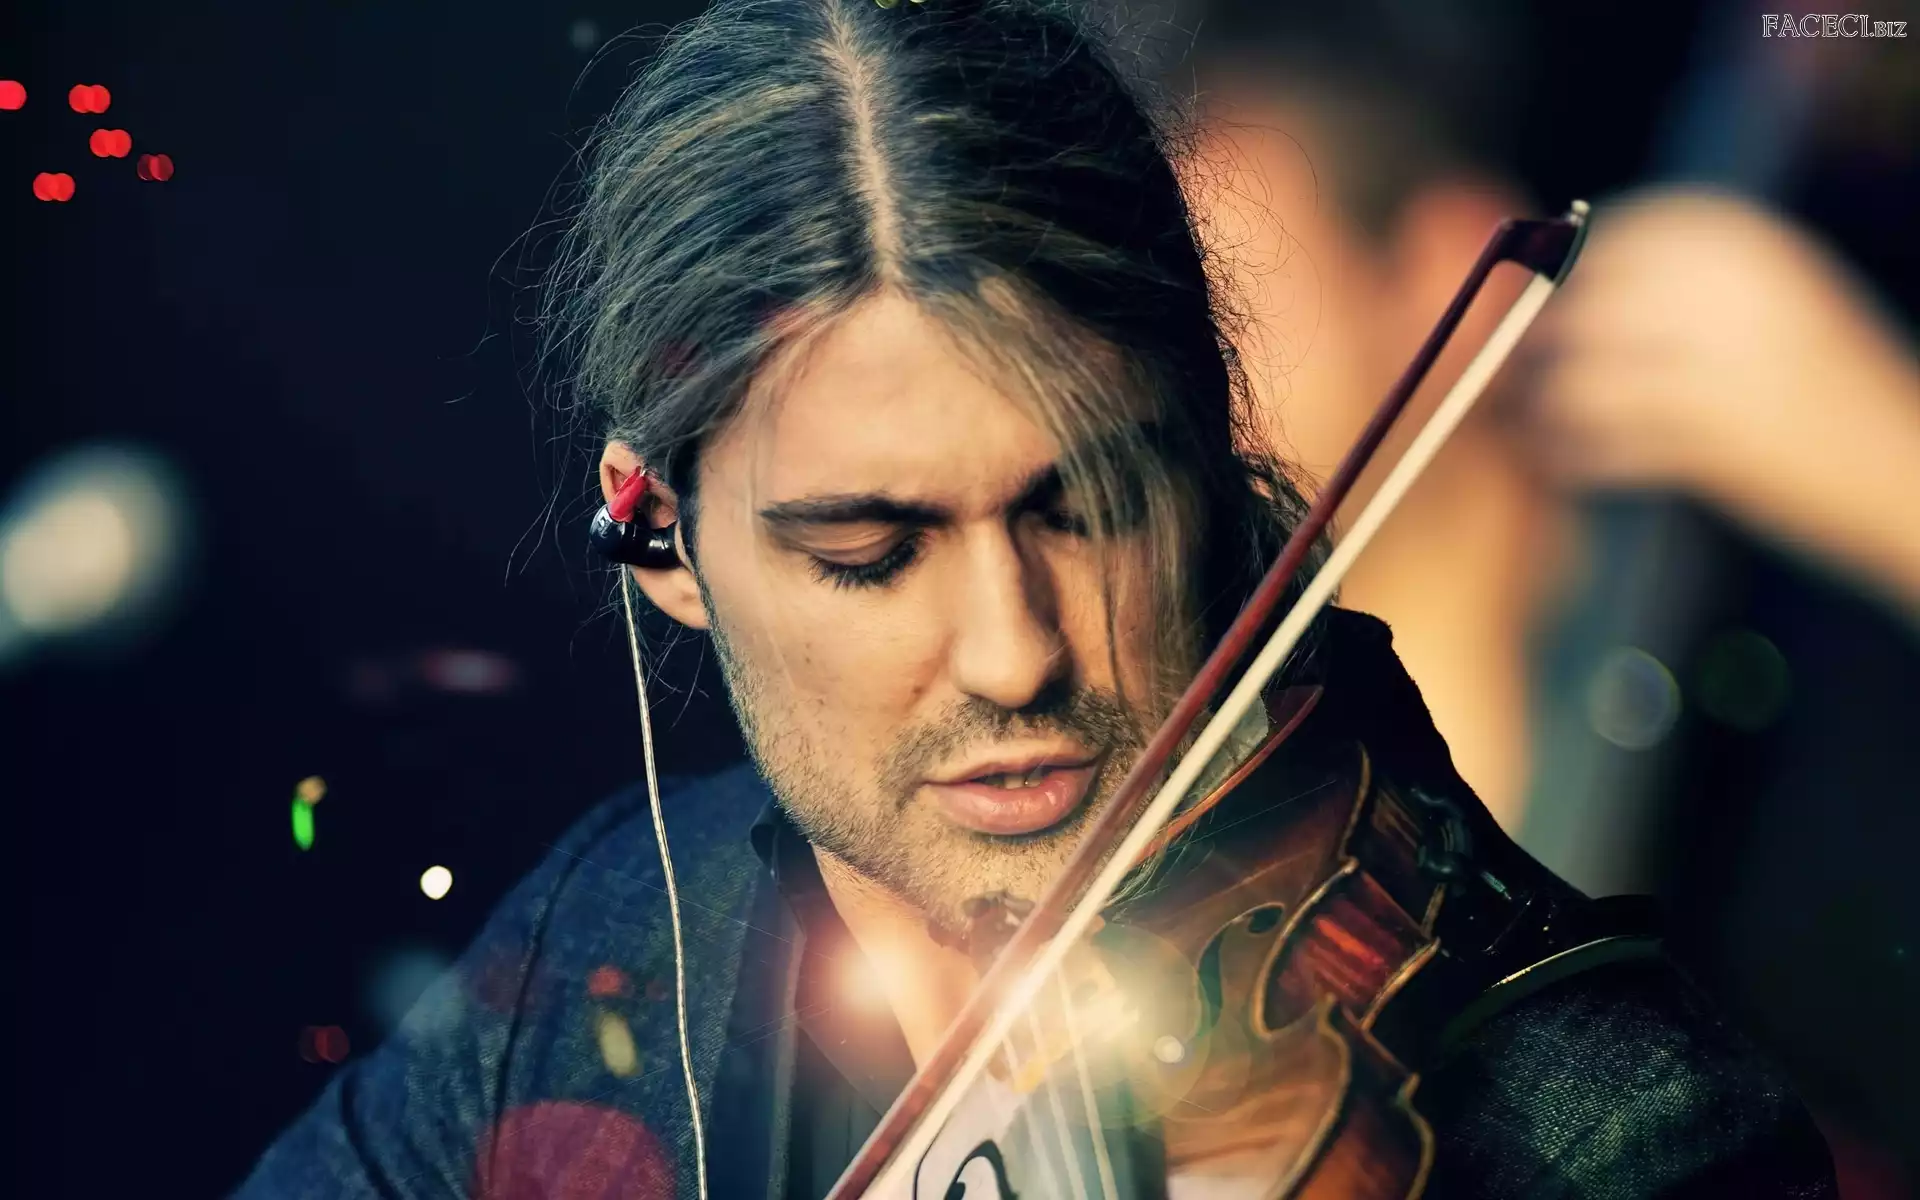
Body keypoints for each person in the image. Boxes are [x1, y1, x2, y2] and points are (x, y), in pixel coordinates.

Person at [233, 1, 1838, 1196]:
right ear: (657, 537)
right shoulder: (607, 943)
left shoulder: (1614, 1129)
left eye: (1094, 509)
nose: (1015, 654)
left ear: (1211, 453)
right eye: (869, 553)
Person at [1188, 1, 1920, 834]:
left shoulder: (1803, 658)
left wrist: (1897, 473)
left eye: (1224, 315)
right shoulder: (1236, 805)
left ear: (1448, 271)